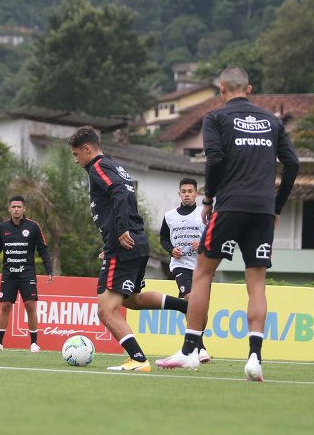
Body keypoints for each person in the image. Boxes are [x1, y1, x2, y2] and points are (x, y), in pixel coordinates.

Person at [156, 66, 299, 381]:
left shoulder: (215, 118)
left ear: (221, 88)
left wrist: (208, 201)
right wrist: (277, 206)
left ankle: (191, 351)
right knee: (257, 283)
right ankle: (254, 359)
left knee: (203, 272)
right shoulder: (273, 122)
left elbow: (215, 159)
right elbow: (293, 163)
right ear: (249, 89)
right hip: (262, 209)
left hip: (231, 205)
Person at [69, 126, 189, 373]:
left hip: (125, 244)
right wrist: (114, 238)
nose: (75, 159)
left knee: (106, 309)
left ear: (87, 149)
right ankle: (186, 307)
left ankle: (138, 359)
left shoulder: (98, 166)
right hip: (133, 242)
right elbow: (119, 199)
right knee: (131, 300)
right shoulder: (113, 165)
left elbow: (120, 193)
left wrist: (121, 231)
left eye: (75, 154)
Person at [0, 196, 53, 352]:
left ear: (24, 209)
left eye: (19, 207)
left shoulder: (33, 227)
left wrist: (49, 270)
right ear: (9, 209)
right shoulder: (2, 228)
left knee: (30, 306)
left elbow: (43, 249)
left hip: (27, 273)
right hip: (9, 274)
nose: (16, 209)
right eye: (13, 207)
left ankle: (34, 343)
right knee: (5, 306)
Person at [158, 177, 210, 363]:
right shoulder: (169, 215)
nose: (187, 194)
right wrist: (171, 249)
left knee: (202, 309)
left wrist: (202, 242)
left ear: (196, 193)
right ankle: (200, 347)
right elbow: (163, 238)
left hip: (203, 267)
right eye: (184, 191)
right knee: (190, 301)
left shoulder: (204, 213)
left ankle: (196, 345)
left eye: (190, 191)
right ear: (179, 193)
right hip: (181, 267)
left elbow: (215, 234)